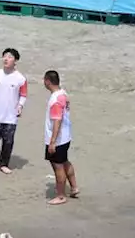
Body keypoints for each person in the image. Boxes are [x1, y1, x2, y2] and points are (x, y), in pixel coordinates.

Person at [0, 48, 27, 174]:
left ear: (16, 61)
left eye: (10, 57)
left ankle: (4, 164)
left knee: (8, 142)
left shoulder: (20, 78)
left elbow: (23, 94)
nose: (6, 59)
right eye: (5, 56)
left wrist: (20, 106)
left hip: (10, 116)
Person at [43, 70, 79, 205]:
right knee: (65, 162)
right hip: (66, 136)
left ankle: (61, 195)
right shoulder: (63, 94)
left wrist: (52, 142)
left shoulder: (55, 100)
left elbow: (56, 121)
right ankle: (74, 187)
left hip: (57, 139)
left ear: (47, 81)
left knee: (58, 167)